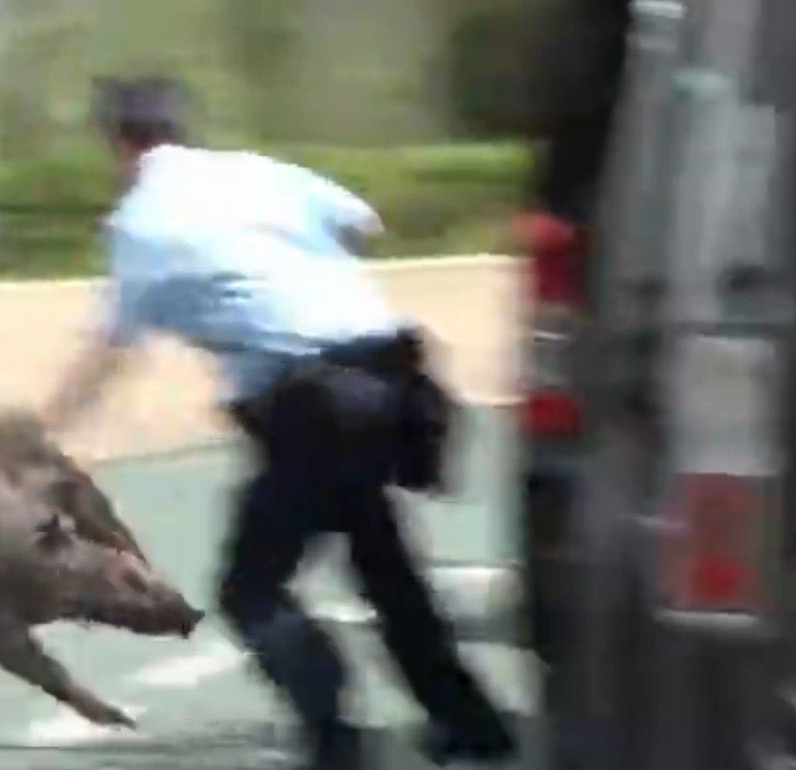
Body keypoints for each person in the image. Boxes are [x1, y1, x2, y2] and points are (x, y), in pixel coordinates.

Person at [39, 77, 518, 769]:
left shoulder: (141, 224)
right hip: (397, 380)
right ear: (180, 128)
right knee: (384, 566)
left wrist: (42, 432)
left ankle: (337, 741)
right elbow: (364, 222)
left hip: (314, 405)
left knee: (252, 592)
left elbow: (112, 351)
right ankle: (473, 728)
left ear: (117, 142)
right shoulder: (255, 172)